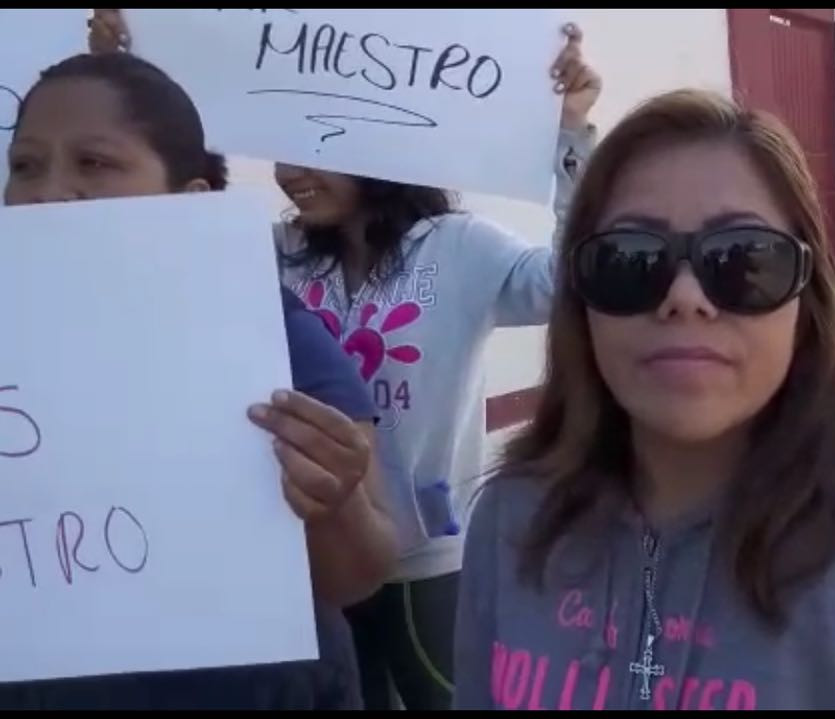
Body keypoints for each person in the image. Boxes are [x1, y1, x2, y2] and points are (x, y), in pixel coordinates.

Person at [454, 89, 835, 710]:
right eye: (631, 259)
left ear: (807, 299)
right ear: (581, 302)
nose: (685, 296)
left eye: (742, 259)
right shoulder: (512, 519)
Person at [88, 10, 601, 709]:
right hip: (311, 553)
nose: (291, 172)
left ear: (376, 143)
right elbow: (160, 230)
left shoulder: (459, 247)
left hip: (427, 565)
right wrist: (126, 70)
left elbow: (573, 283)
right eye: (281, 152)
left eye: (313, 150)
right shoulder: (271, 253)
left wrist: (569, 133)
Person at [1, 51, 397, 709]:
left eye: (94, 162)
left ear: (189, 201)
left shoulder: (271, 336)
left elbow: (358, 574)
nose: (47, 192)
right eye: (24, 165)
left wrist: (335, 500)